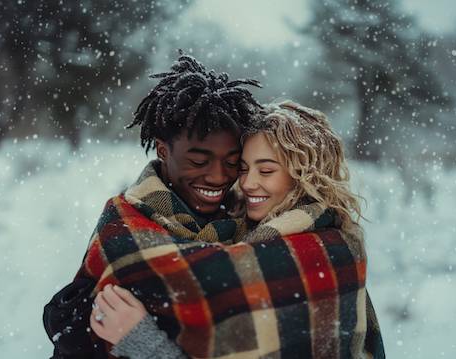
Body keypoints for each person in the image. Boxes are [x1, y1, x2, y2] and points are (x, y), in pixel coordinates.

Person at [84, 101, 385, 358]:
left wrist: (144, 343)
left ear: (306, 175)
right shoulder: (239, 232)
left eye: (266, 170)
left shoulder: (326, 252)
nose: (248, 183)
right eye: (243, 168)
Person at [42, 50, 262, 358]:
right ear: (162, 150)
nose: (218, 177)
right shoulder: (123, 229)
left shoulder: (257, 223)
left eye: (232, 162)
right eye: (198, 160)